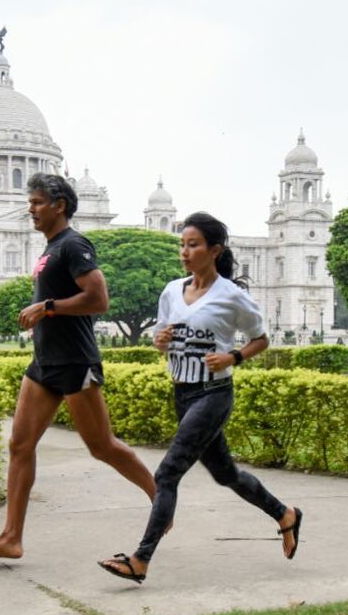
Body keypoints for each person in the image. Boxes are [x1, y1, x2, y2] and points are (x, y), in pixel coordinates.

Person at [98, 212, 302, 584]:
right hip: (183, 392)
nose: (184, 252)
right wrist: (159, 340)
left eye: (193, 245)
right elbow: (161, 339)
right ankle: (284, 514)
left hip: (213, 394)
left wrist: (233, 357)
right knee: (226, 475)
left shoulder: (231, 296)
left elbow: (260, 339)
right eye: (182, 244)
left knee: (167, 473)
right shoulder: (171, 291)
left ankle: (140, 559)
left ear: (214, 250)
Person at [0, 173, 156, 559]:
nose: (31, 209)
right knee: (20, 444)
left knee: (102, 446)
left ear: (60, 205)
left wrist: (47, 307)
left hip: (74, 360)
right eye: (30, 202)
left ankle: (161, 499)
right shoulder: (51, 248)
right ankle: (11, 537)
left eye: (37, 202)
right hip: (44, 362)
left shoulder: (73, 244)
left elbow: (98, 299)